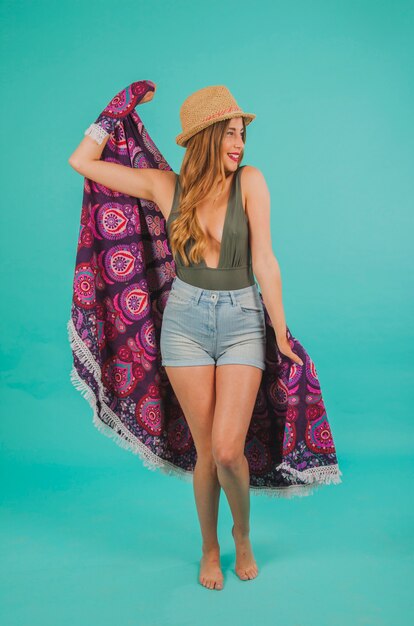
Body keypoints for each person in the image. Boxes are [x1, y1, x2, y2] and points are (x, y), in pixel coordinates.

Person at [69, 84, 304, 591]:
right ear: (205, 138)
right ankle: (210, 548)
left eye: (243, 135)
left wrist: (280, 331)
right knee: (204, 452)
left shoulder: (252, 182)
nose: (239, 144)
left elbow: (265, 258)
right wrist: (118, 105)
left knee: (227, 450)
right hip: (185, 325)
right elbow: (82, 161)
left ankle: (242, 535)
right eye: (230, 134)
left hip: (242, 319)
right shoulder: (164, 187)